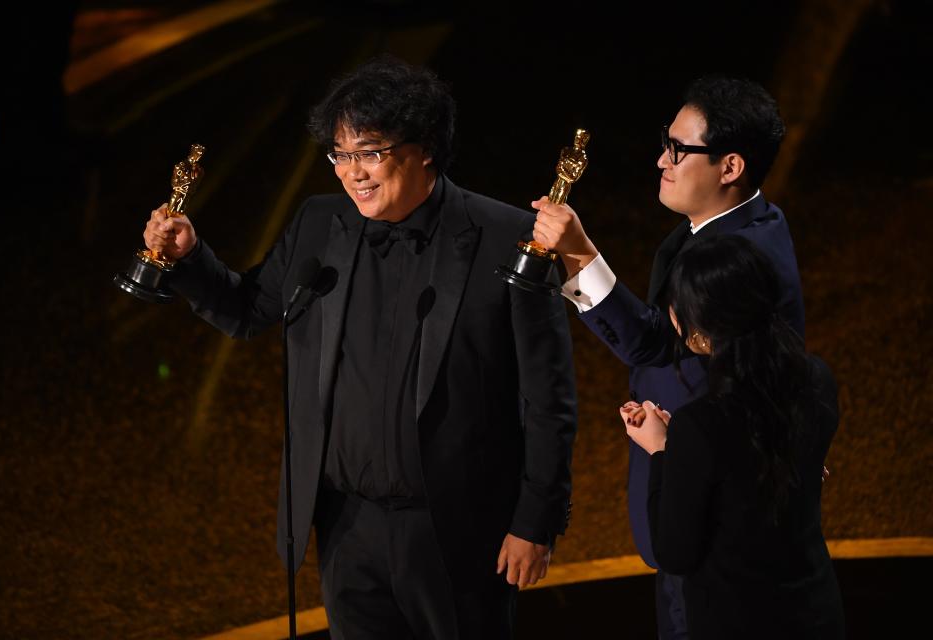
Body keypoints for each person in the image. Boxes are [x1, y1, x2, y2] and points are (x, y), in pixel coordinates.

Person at [141, 57, 577, 639]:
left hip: (457, 531)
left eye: (369, 152)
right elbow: (248, 312)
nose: (352, 174)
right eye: (340, 155)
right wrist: (190, 258)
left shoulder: (504, 237)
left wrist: (535, 521)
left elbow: (550, 397)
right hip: (347, 527)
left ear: (423, 148)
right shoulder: (320, 224)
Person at [530, 75, 804, 637]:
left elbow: (655, 342)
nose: (662, 160)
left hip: (711, 518)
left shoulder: (738, 257)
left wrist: (580, 252)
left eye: (679, 150)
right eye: (665, 142)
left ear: (730, 167)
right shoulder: (724, 229)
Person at [619, 234, 844, 639]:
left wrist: (661, 450)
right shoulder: (817, 381)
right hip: (815, 611)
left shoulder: (701, 425)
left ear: (699, 335)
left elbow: (675, 552)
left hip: (737, 620)